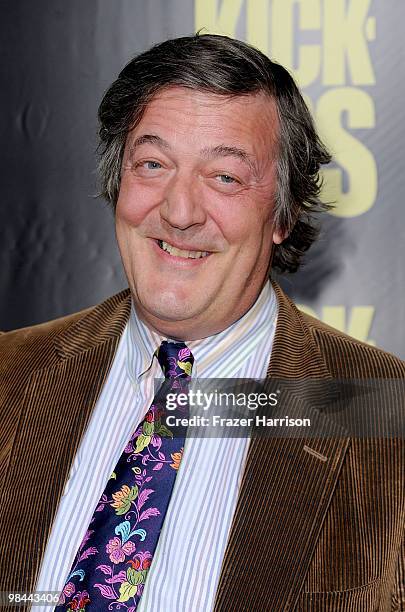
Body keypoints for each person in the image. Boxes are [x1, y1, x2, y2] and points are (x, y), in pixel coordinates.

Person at [0, 34, 404, 612]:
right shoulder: (9, 377)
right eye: (153, 164)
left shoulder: (385, 415)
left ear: (282, 215)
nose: (180, 211)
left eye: (224, 177)